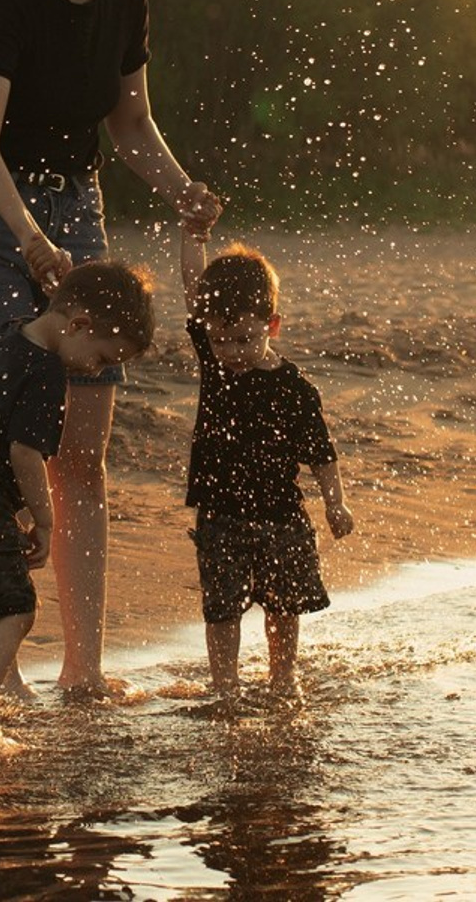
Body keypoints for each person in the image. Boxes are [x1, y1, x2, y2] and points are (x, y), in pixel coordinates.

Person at [0, 0, 220, 697]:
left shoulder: (126, 2)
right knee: (2, 445)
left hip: (77, 211)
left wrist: (181, 189)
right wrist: (26, 235)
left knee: (81, 452)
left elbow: (128, 129)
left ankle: (84, 672)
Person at [0, 260, 156, 752]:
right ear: (79, 325)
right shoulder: (48, 372)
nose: (96, 370)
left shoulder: (9, 337)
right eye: (102, 358)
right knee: (17, 610)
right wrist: (44, 520)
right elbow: (25, 453)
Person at [180, 232, 354, 698]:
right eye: (220, 341)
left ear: (271, 326)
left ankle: (283, 678)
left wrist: (335, 504)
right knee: (221, 608)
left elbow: (320, 452)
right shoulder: (215, 369)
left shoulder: (295, 388)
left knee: (283, 604)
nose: (232, 351)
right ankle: (226, 686)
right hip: (219, 514)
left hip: (282, 515)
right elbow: (192, 289)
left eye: (244, 339)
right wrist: (191, 236)